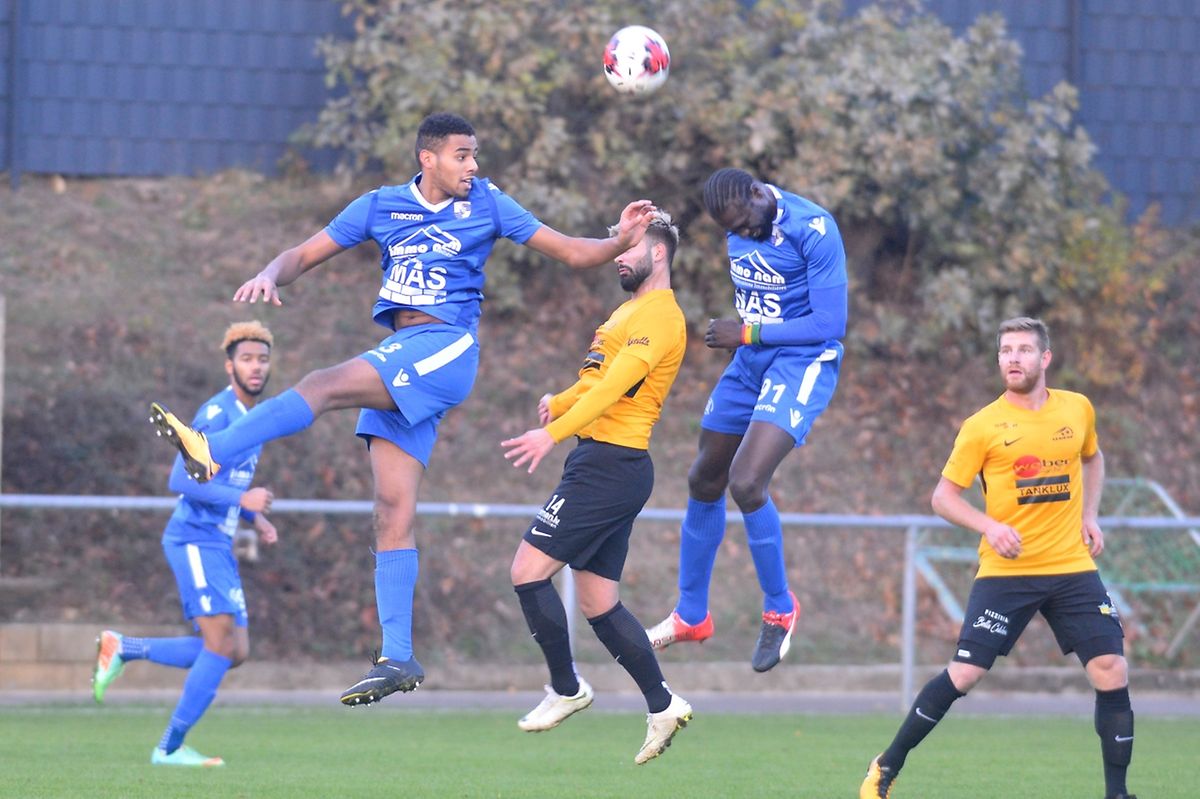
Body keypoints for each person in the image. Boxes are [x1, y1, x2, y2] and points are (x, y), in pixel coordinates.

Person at [147, 112, 660, 707]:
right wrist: (269, 271)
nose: (474, 166)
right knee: (391, 509)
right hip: (399, 354)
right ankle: (397, 656)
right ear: (428, 158)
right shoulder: (380, 206)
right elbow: (304, 253)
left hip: (445, 346)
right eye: (462, 155)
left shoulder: (489, 203)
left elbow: (571, 252)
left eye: (475, 155)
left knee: (323, 384)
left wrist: (619, 242)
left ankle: (210, 449)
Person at [860, 317, 1136, 799]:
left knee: (1111, 667)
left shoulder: (1077, 409)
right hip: (1007, 571)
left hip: (1071, 567)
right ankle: (886, 765)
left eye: (1024, 350)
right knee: (965, 673)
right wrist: (990, 526)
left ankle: (1117, 794)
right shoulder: (982, 426)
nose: (1013, 358)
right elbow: (942, 498)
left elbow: (1093, 457)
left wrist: (1090, 515)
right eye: (1006, 350)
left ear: (1044, 358)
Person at [501, 210, 691, 764]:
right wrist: (560, 402)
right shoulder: (626, 311)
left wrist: (550, 433)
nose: (619, 258)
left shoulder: (661, 317)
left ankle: (566, 688)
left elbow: (617, 385)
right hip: (609, 463)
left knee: (526, 571)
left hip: (609, 465)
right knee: (598, 600)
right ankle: (662, 704)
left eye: (628, 249)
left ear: (657, 253)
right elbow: (594, 377)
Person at [645, 167, 848, 672]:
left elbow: (829, 323)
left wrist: (749, 333)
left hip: (803, 361)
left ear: (759, 195)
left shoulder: (814, 228)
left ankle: (780, 608)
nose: (742, 233)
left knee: (747, 481)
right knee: (703, 478)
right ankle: (691, 614)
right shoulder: (738, 227)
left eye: (746, 222)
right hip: (751, 361)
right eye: (730, 228)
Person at [93, 321, 279, 767]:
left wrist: (254, 515)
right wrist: (243, 499)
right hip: (194, 539)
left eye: (263, 359)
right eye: (247, 359)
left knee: (235, 651)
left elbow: (225, 477)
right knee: (219, 646)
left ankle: (125, 648)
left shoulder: (253, 415)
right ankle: (169, 748)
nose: (256, 367)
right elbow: (181, 478)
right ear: (229, 365)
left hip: (217, 541)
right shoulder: (216, 414)